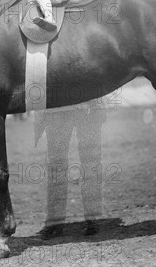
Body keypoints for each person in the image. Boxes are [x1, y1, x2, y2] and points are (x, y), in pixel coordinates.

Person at [33, 100, 106, 239]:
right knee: (56, 165)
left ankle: (93, 218)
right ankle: (55, 222)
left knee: (91, 163)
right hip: (56, 109)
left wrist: (100, 106)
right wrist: (40, 115)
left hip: (88, 107)